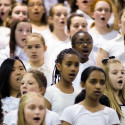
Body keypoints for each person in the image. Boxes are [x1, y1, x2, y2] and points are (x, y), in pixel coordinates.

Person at [44, 48, 80, 116]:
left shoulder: (79, 95)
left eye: (76, 65)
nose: (73, 69)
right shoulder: (49, 93)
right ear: (59, 66)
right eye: (69, 64)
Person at [102, 58, 125, 125]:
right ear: (106, 77)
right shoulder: (103, 100)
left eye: (123, 72)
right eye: (115, 73)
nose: (120, 76)